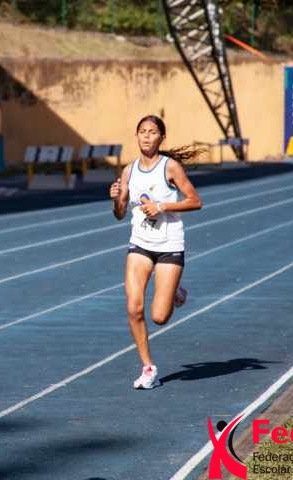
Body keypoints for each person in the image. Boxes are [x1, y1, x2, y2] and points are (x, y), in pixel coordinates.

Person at [109, 115, 202, 389]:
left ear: (162, 137)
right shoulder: (129, 171)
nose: (147, 136)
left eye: (152, 132)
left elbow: (195, 201)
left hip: (169, 244)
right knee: (133, 306)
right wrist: (116, 199)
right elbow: (119, 214)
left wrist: (161, 206)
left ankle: (175, 291)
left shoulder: (170, 167)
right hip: (140, 243)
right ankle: (148, 368)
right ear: (136, 136)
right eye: (142, 131)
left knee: (159, 317)